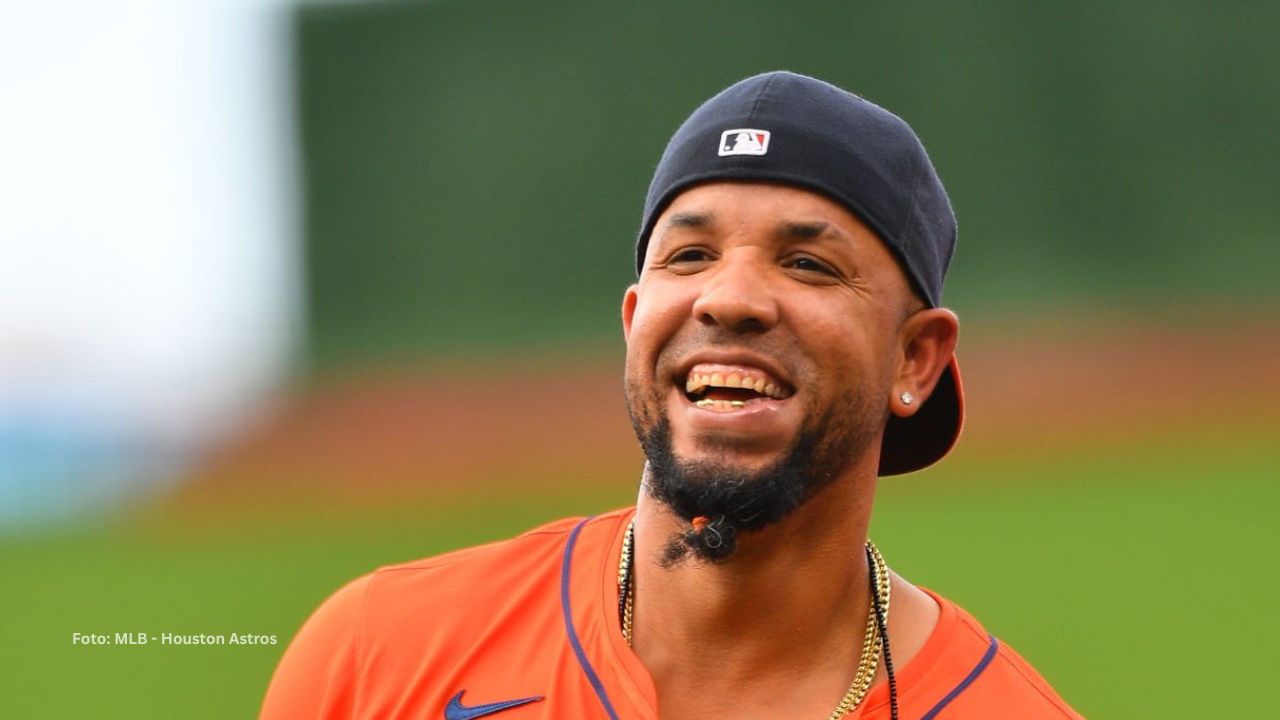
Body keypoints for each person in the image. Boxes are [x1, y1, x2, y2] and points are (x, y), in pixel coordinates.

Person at [261, 71, 1082, 720]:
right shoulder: (379, 654)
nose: (729, 299)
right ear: (633, 321)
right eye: (688, 255)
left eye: (807, 264)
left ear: (917, 360)